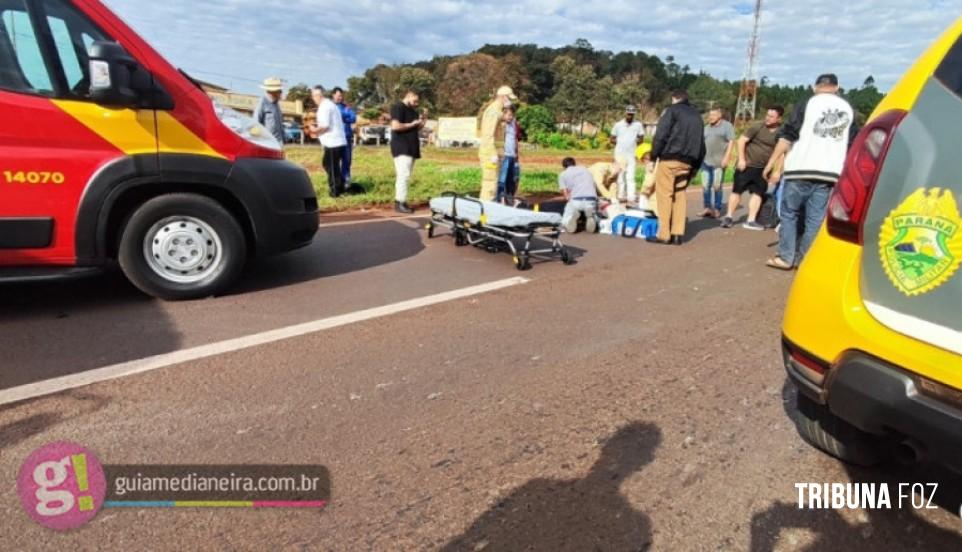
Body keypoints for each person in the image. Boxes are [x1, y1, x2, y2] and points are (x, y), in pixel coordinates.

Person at [763, 74, 858, 269]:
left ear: (815, 87)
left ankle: (785, 256)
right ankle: (806, 259)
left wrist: (771, 164)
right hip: (829, 172)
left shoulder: (807, 103)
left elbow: (787, 136)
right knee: (815, 218)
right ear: (837, 87)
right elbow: (852, 143)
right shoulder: (848, 109)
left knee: (789, 213)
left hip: (800, 167)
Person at [648, 89, 706, 245]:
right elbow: (701, 144)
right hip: (688, 162)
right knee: (679, 195)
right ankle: (677, 233)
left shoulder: (671, 111)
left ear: (674, 98)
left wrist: (653, 156)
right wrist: (695, 167)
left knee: (664, 195)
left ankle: (664, 234)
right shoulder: (697, 116)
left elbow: (661, 135)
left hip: (670, 158)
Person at [721, 105, 785, 230]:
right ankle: (728, 217)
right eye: (767, 115)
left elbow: (782, 151)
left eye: (771, 116)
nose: (768, 118)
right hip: (747, 165)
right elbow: (741, 141)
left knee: (758, 193)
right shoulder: (758, 126)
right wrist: (741, 159)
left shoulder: (782, 132)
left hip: (764, 169)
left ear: (779, 119)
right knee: (737, 191)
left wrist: (777, 170)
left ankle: (751, 220)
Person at [479, 85, 517, 201]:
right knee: (490, 181)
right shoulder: (493, 111)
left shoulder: (498, 111)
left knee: (495, 181)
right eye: (508, 98)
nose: (509, 101)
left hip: (498, 152)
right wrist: (492, 153)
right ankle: (485, 208)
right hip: (490, 153)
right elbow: (488, 134)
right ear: (503, 97)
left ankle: (491, 205)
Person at [390, 89, 426, 213]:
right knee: (403, 175)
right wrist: (412, 124)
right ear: (409, 95)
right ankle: (399, 202)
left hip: (412, 147)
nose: (417, 103)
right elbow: (395, 126)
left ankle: (402, 201)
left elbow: (417, 128)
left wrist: (423, 119)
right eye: (415, 100)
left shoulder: (414, 111)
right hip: (401, 146)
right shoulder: (398, 107)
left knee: (406, 176)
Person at [310, 85, 348, 198]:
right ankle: (340, 186)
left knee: (331, 167)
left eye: (313, 96)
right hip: (337, 141)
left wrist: (314, 130)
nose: (313, 99)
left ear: (318, 96)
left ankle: (335, 192)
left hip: (333, 142)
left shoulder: (324, 107)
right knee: (329, 165)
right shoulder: (329, 104)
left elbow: (325, 125)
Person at [700, 107, 735, 218]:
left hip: (719, 162)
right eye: (709, 115)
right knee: (705, 186)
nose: (710, 117)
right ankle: (707, 208)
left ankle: (717, 209)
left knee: (717, 186)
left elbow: (731, 142)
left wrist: (727, 157)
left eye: (713, 115)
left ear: (719, 116)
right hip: (705, 161)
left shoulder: (727, 126)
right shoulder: (706, 128)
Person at [610, 105, 645, 203]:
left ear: (634, 114)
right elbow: (612, 139)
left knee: (631, 176)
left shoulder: (638, 125)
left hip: (631, 154)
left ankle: (631, 196)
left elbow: (641, 138)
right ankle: (621, 195)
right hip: (619, 154)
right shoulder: (618, 125)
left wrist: (634, 144)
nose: (630, 116)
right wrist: (621, 142)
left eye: (632, 114)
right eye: (628, 114)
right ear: (625, 113)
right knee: (620, 176)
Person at [558, 157, 600, 234]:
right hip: (591, 199)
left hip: (576, 200)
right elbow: (593, 184)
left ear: (563, 166)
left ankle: (568, 222)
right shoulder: (585, 170)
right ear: (574, 164)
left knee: (569, 210)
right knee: (594, 212)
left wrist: (569, 198)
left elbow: (566, 195)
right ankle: (592, 216)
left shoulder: (563, 174)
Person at [332, 87, 357, 185]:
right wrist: (344, 117)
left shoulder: (346, 107)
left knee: (347, 160)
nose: (340, 98)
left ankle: (346, 182)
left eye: (342, 96)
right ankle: (336, 183)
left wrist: (342, 117)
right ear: (333, 95)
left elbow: (353, 118)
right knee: (335, 162)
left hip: (346, 137)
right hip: (335, 139)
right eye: (338, 96)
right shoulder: (330, 107)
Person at [496, 105, 521, 203]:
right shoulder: (501, 125)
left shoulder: (514, 122)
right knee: (502, 179)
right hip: (505, 155)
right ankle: (500, 199)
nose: (510, 117)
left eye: (512, 115)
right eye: (508, 115)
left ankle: (510, 198)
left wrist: (516, 154)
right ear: (503, 114)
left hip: (513, 156)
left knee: (514, 178)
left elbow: (515, 138)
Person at [253, 77, 285, 144]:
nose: (281, 92)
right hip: (268, 143)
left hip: (279, 143)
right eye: (280, 91)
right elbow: (256, 123)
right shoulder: (262, 103)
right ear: (274, 92)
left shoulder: (276, 104)